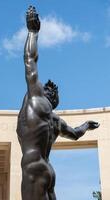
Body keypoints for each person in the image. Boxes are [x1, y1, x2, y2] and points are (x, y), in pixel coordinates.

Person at [17, 6, 99, 200]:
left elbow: (30, 60)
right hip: (48, 171)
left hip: (33, 168)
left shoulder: (35, 99)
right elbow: (76, 134)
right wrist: (87, 125)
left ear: (44, 92)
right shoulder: (56, 121)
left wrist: (32, 32)